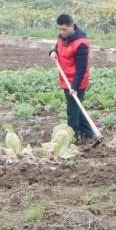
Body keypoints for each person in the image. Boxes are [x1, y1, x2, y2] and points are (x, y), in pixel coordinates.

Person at [49, 14, 94, 142]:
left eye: (64, 29)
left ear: (72, 26)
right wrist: (53, 51)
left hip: (77, 82)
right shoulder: (62, 37)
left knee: (72, 112)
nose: (61, 32)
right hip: (65, 80)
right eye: (59, 29)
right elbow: (58, 46)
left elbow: (81, 69)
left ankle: (72, 139)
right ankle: (88, 134)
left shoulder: (81, 44)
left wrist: (74, 87)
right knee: (77, 109)